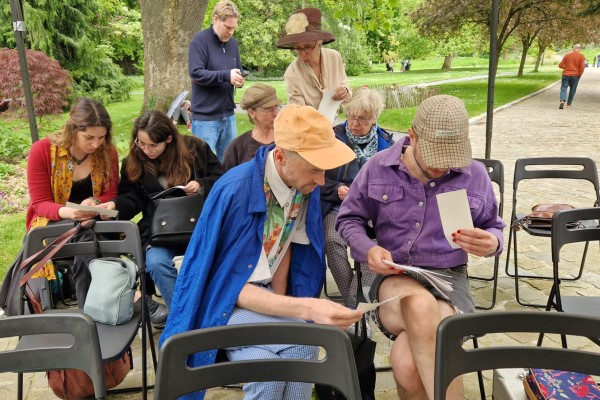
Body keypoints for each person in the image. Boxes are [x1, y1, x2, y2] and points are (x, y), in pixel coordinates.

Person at [160, 104, 363, 400]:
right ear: (281, 157)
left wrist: (281, 304)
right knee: (289, 350)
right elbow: (229, 287)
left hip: (260, 297)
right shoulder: (237, 191)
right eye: (315, 170)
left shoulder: (302, 184)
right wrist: (307, 308)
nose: (322, 181)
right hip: (221, 302)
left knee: (301, 348)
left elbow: (286, 248)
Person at [336, 95, 505, 400]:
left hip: (449, 278)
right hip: (393, 278)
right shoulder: (378, 167)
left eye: (450, 156)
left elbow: (495, 226)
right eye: (434, 155)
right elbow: (348, 220)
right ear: (411, 136)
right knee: (419, 304)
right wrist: (368, 250)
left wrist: (492, 242)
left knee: (405, 362)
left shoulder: (473, 174)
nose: (442, 165)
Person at [99, 111, 223, 328]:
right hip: (159, 230)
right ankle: (186, 318)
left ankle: (199, 315)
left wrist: (201, 184)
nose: (146, 150)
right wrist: (115, 206)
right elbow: (132, 198)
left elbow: (221, 178)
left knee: (211, 259)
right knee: (155, 262)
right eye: (141, 143)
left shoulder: (195, 149)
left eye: (153, 145)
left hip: (198, 226)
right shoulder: (134, 161)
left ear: (169, 139)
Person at [25, 98, 119, 307]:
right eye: (89, 137)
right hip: (52, 223)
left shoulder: (108, 153)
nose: (96, 144)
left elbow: (111, 193)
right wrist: (71, 213)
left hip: (92, 220)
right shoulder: (42, 151)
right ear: (73, 129)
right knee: (88, 239)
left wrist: (97, 201)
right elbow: (40, 204)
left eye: (101, 137)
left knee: (97, 236)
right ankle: (126, 299)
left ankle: (91, 313)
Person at [321, 87, 393, 307]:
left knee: (372, 246)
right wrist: (336, 190)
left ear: (374, 118)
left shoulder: (387, 144)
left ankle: (355, 307)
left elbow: (397, 183)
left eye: (361, 119)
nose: (353, 124)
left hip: (374, 210)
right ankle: (357, 305)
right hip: (338, 206)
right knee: (332, 241)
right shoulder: (332, 138)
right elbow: (315, 177)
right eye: (351, 117)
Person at [188, 0, 244, 161]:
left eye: (234, 28)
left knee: (229, 164)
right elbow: (196, 73)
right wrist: (226, 75)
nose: (231, 32)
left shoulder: (233, 43)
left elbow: (236, 70)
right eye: (228, 27)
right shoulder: (200, 40)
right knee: (202, 165)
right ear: (215, 19)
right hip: (206, 118)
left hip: (228, 116)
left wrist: (239, 80)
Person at [276, 7, 351, 109]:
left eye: (307, 47)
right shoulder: (292, 74)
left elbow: (344, 82)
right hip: (309, 124)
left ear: (319, 42)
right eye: (298, 48)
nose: (303, 54)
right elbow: (298, 111)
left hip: (333, 122)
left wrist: (345, 90)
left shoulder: (335, 57)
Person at [222, 83, 280, 171]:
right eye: (269, 109)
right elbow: (227, 180)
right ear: (252, 113)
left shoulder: (287, 139)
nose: (276, 113)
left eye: (276, 107)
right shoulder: (237, 147)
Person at [558, 44, 586, 109]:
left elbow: (560, 65)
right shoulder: (581, 56)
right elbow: (582, 67)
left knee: (563, 88)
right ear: (580, 49)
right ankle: (568, 104)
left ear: (574, 48)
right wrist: (580, 74)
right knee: (572, 90)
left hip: (566, 74)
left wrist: (566, 68)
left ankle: (562, 100)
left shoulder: (567, 55)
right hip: (575, 75)